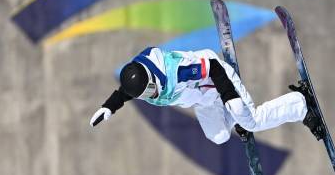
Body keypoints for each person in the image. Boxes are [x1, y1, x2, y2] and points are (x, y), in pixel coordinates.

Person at [90, 46, 321, 144]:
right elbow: (129, 90)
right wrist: (109, 106)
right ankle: (238, 120)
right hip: (202, 98)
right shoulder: (141, 76)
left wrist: (230, 96)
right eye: (146, 95)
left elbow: (212, 67)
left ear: (152, 77)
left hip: (219, 81)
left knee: (254, 120)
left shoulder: (176, 73)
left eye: (150, 89)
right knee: (219, 136)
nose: (152, 94)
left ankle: (299, 103)